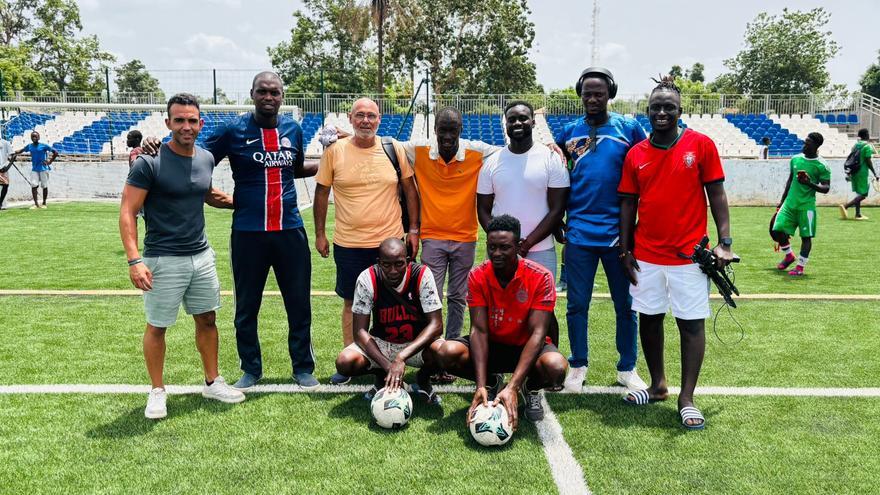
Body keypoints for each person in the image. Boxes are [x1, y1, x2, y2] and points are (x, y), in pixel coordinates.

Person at [143, 72, 319, 390]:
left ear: (282, 96)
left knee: (298, 302)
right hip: (248, 232)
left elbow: (294, 169)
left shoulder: (293, 129)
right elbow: (192, 151)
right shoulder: (233, 130)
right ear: (252, 94)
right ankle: (251, 368)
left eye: (275, 92)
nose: (269, 97)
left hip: (290, 229)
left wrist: (332, 162)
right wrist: (156, 142)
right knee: (247, 305)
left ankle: (302, 367)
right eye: (262, 91)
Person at [618, 76, 736, 430]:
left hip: (690, 255)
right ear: (648, 111)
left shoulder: (700, 145)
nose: (662, 112)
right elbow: (627, 203)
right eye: (656, 107)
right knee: (650, 319)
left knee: (690, 324)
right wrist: (625, 249)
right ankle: (657, 386)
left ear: (680, 110)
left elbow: (716, 193)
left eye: (669, 107)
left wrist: (724, 242)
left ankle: (687, 398)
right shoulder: (635, 153)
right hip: (647, 254)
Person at [119, 93, 244, 420]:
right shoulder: (149, 162)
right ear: (168, 123)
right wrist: (134, 260)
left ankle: (212, 381)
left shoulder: (205, 158)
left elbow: (206, 194)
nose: (186, 126)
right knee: (158, 326)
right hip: (162, 259)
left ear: (200, 124)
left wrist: (241, 202)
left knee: (207, 319)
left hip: (201, 256)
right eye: (179, 120)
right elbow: (128, 211)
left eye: (192, 120)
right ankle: (158, 390)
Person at [554, 67, 648, 393]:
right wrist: (556, 220)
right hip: (579, 232)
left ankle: (627, 367)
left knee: (626, 304)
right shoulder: (568, 132)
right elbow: (554, 176)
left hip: (618, 234)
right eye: (587, 94)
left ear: (611, 94)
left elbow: (645, 171)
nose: (593, 99)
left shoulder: (629, 128)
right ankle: (578, 365)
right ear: (580, 95)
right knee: (577, 304)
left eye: (599, 93)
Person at [314, 97, 421, 385]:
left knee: (396, 302)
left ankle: (395, 358)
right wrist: (320, 233)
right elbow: (322, 193)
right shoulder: (335, 152)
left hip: (390, 243)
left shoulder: (393, 148)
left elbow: (410, 190)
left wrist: (413, 230)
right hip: (349, 243)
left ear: (379, 119)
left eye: (371, 116)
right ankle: (354, 359)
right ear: (350, 118)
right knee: (352, 302)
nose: (365, 121)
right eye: (360, 115)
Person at [437, 214, 568, 427]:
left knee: (556, 368)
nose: (496, 253)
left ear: (518, 246)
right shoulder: (477, 276)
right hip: (494, 346)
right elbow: (478, 330)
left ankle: (529, 387)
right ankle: (490, 382)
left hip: (526, 346)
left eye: (504, 247)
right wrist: (479, 384)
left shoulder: (541, 276)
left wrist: (513, 387)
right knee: (445, 352)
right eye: (492, 247)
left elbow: (538, 334)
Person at [477, 100, 569, 347]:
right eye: (512, 119)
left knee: (544, 311)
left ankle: (547, 366)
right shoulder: (493, 162)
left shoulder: (550, 158)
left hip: (541, 250)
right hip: (501, 254)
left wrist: (526, 243)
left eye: (523, 118)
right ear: (505, 124)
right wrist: (503, 245)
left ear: (533, 122)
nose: (517, 123)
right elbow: (483, 211)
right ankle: (497, 366)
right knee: (499, 311)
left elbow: (557, 209)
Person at [334, 238, 444, 404]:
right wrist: (386, 365)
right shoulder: (367, 278)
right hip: (382, 343)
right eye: (386, 265)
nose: (393, 271)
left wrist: (400, 358)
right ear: (379, 263)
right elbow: (359, 331)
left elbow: (436, 325)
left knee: (446, 353)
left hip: (416, 344)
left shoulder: (422, 274)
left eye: (399, 264)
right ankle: (381, 377)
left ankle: (423, 379)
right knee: (345, 362)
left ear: (407, 261)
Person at [771, 133, 830, 276]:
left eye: (808, 143)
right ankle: (789, 255)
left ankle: (800, 267)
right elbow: (790, 181)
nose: (804, 145)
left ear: (816, 146)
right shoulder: (795, 159)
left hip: (806, 207)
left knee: (806, 237)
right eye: (805, 142)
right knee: (776, 229)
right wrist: (782, 201)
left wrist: (809, 183)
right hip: (790, 204)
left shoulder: (822, 166)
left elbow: (826, 188)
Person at [10, 131, 58, 209]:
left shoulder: (44, 146)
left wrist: (50, 161)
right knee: (34, 185)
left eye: (35, 136)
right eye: (32, 136)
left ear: (39, 137)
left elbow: (55, 152)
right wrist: (12, 152)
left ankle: (44, 203)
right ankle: (36, 204)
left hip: (43, 168)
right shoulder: (30, 146)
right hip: (34, 169)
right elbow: (21, 150)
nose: (34, 138)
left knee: (44, 186)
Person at [839, 128, 877, 220]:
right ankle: (846, 206)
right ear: (866, 135)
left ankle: (858, 214)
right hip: (862, 173)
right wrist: (875, 173)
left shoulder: (856, 145)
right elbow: (868, 161)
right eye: (868, 133)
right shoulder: (867, 146)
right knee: (864, 194)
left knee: (858, 193)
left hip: (854, 172)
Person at [0, 135, 12, 210]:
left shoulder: (5, 143)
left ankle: (0, 203)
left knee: (5, 184)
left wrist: (7, 167)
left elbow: (13, 155)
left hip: (3, 168)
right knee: (5, 184)